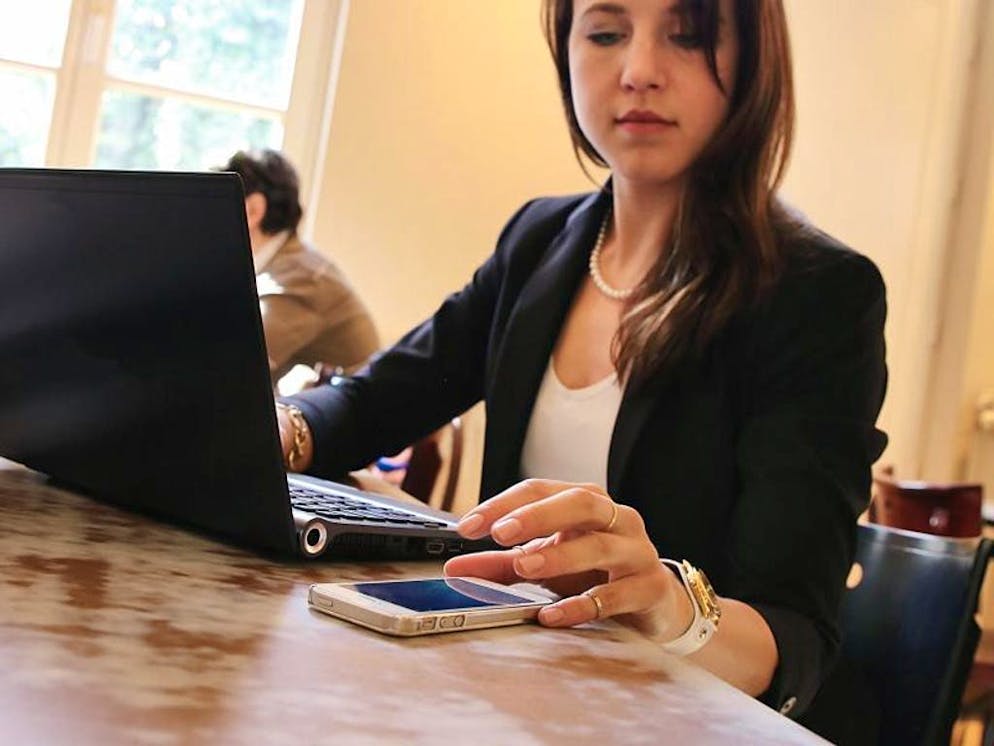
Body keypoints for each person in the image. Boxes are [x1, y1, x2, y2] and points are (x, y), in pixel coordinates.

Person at [276, 1, 886, 740]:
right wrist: (287, 428)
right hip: (510, 695)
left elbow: (793, 637)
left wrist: (668, 606)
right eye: (605, 33)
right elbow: (383, 397)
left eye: (688, 36)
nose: (639, 71)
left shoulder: (816, 293)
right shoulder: (541, 240)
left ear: (755, 61)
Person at [222, 149, 380, 384]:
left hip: (360, 403)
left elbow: (233, 364)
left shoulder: (299, 280)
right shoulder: (288, 265)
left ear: (253, 210)